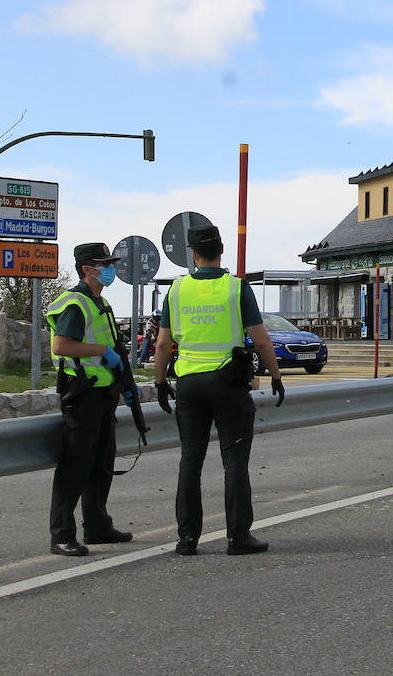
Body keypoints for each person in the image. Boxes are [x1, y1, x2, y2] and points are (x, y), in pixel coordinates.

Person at [154, 225, 283, 556]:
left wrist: (159, 382)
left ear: (193, 255)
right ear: (221, 251)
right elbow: (261, 338)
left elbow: (164, 343)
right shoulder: (237, 289)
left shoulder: (178, 290)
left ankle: (187, 539)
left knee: (190, 460)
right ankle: (238, 537)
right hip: (228, 383)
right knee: (235, 461)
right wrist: (276, 375)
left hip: (189, 385)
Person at [46, 242, 135, 556]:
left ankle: (97, 526)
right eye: (104, 264)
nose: (110, 269)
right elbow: (62, 346)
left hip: (103, 393)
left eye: (110, 263)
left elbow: (114, 346)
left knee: (101, 462)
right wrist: (102, 352)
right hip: (81, 394)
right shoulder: (75, 304)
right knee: (75, 465)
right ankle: (62, 535)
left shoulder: (101, 303)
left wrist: (126, 383)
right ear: (87, 269)